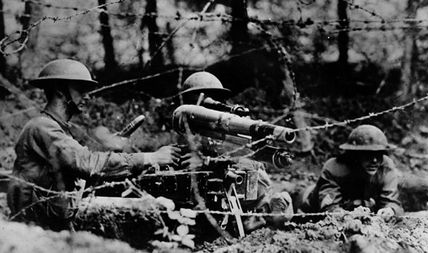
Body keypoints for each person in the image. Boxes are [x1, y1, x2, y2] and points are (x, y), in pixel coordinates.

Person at [7, 59, 182, 231]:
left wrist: (110, 148)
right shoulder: (42, 127)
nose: (87, 96)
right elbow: (87, 164)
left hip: (48, 222)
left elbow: (76, 163)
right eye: (81, 89)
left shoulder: (55, 128)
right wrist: (151, 157)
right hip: (32, 227)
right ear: (60, 91)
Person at [174, 71, 293, 232]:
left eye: (214, 102)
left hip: (242, 214)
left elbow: (251, 174)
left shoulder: (234, 143)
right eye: (201, 104)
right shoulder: (185, 139)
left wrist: (210, 163)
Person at [298, 124, 403, 221]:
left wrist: (390, 210)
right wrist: (348, 216)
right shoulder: (335, 168)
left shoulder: (386, 167)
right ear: (355, 154)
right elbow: (329, 208)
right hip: (313, 209)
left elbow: (391, 201)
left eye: (379, 154)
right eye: (368, 155)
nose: (374, 160)